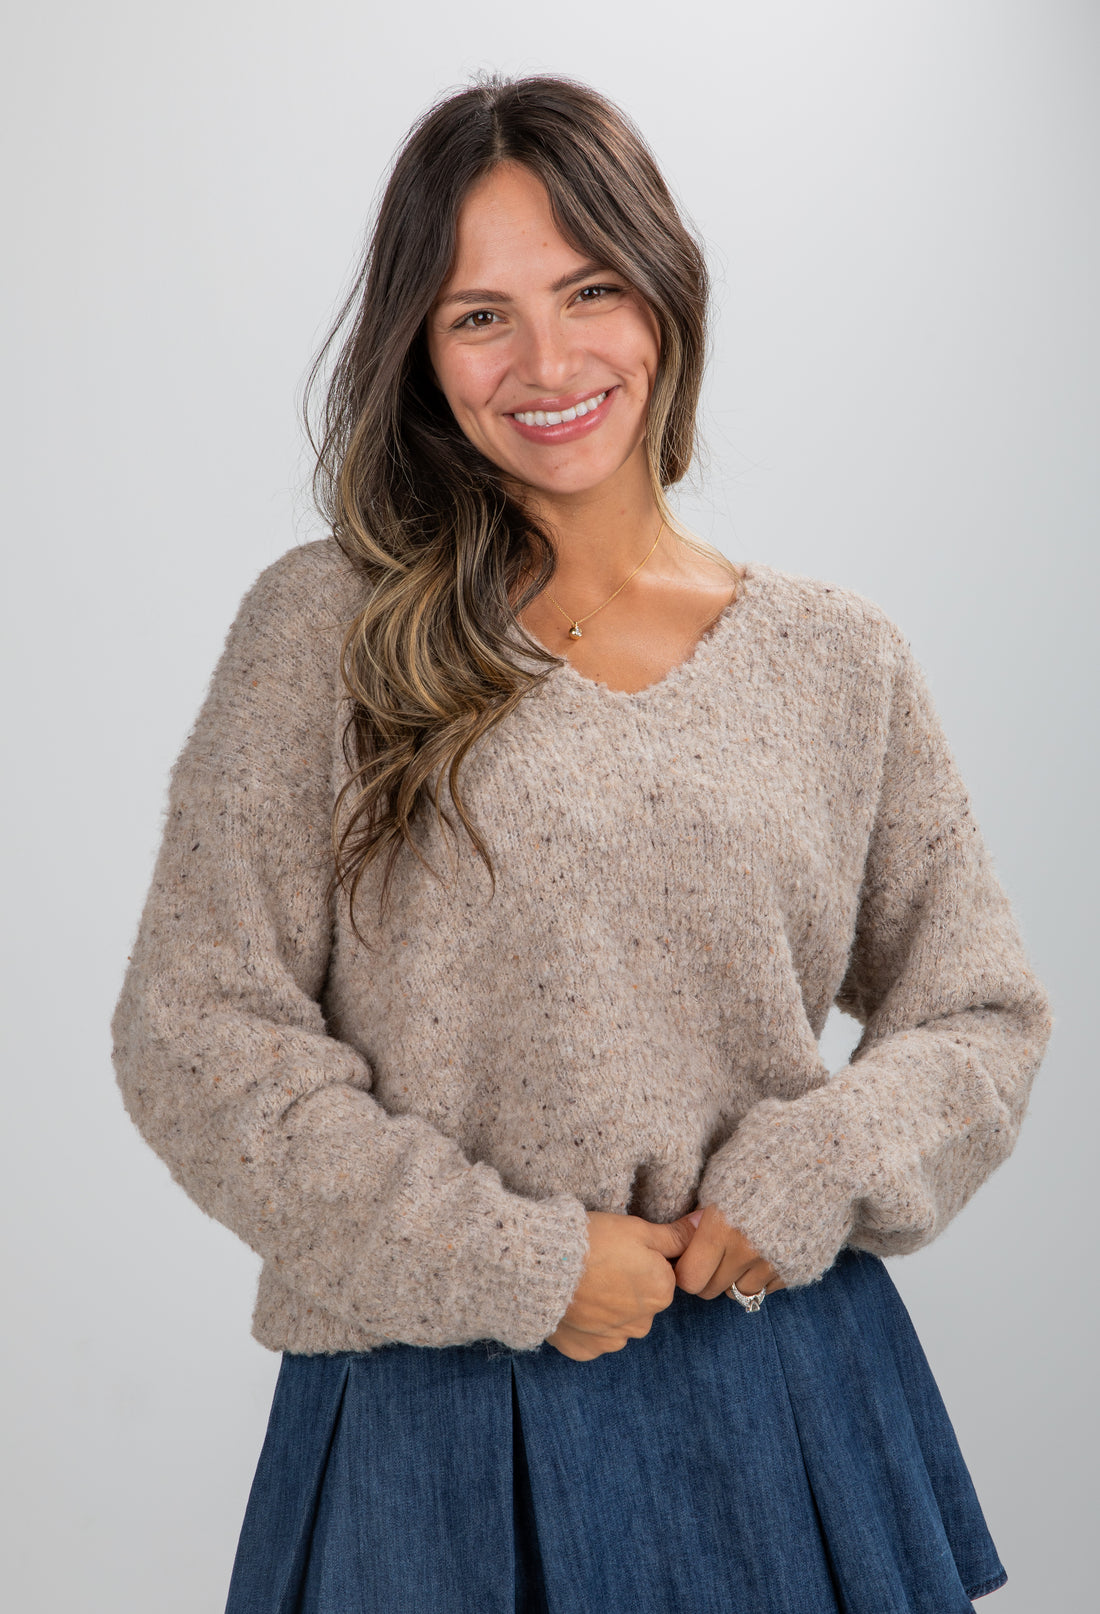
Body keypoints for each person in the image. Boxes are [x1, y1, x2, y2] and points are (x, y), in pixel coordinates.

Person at [111, 73, 1052, 1614]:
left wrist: (816, 1162)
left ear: (663, 297)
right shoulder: (325, 630)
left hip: (789, 1401)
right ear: (420, 345)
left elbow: (982, 1013)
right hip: (438, 1426)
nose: (546, 362)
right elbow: (196, 1033)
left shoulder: (837, 658)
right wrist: (513, 1260)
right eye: (480, 313)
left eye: (589, 290)